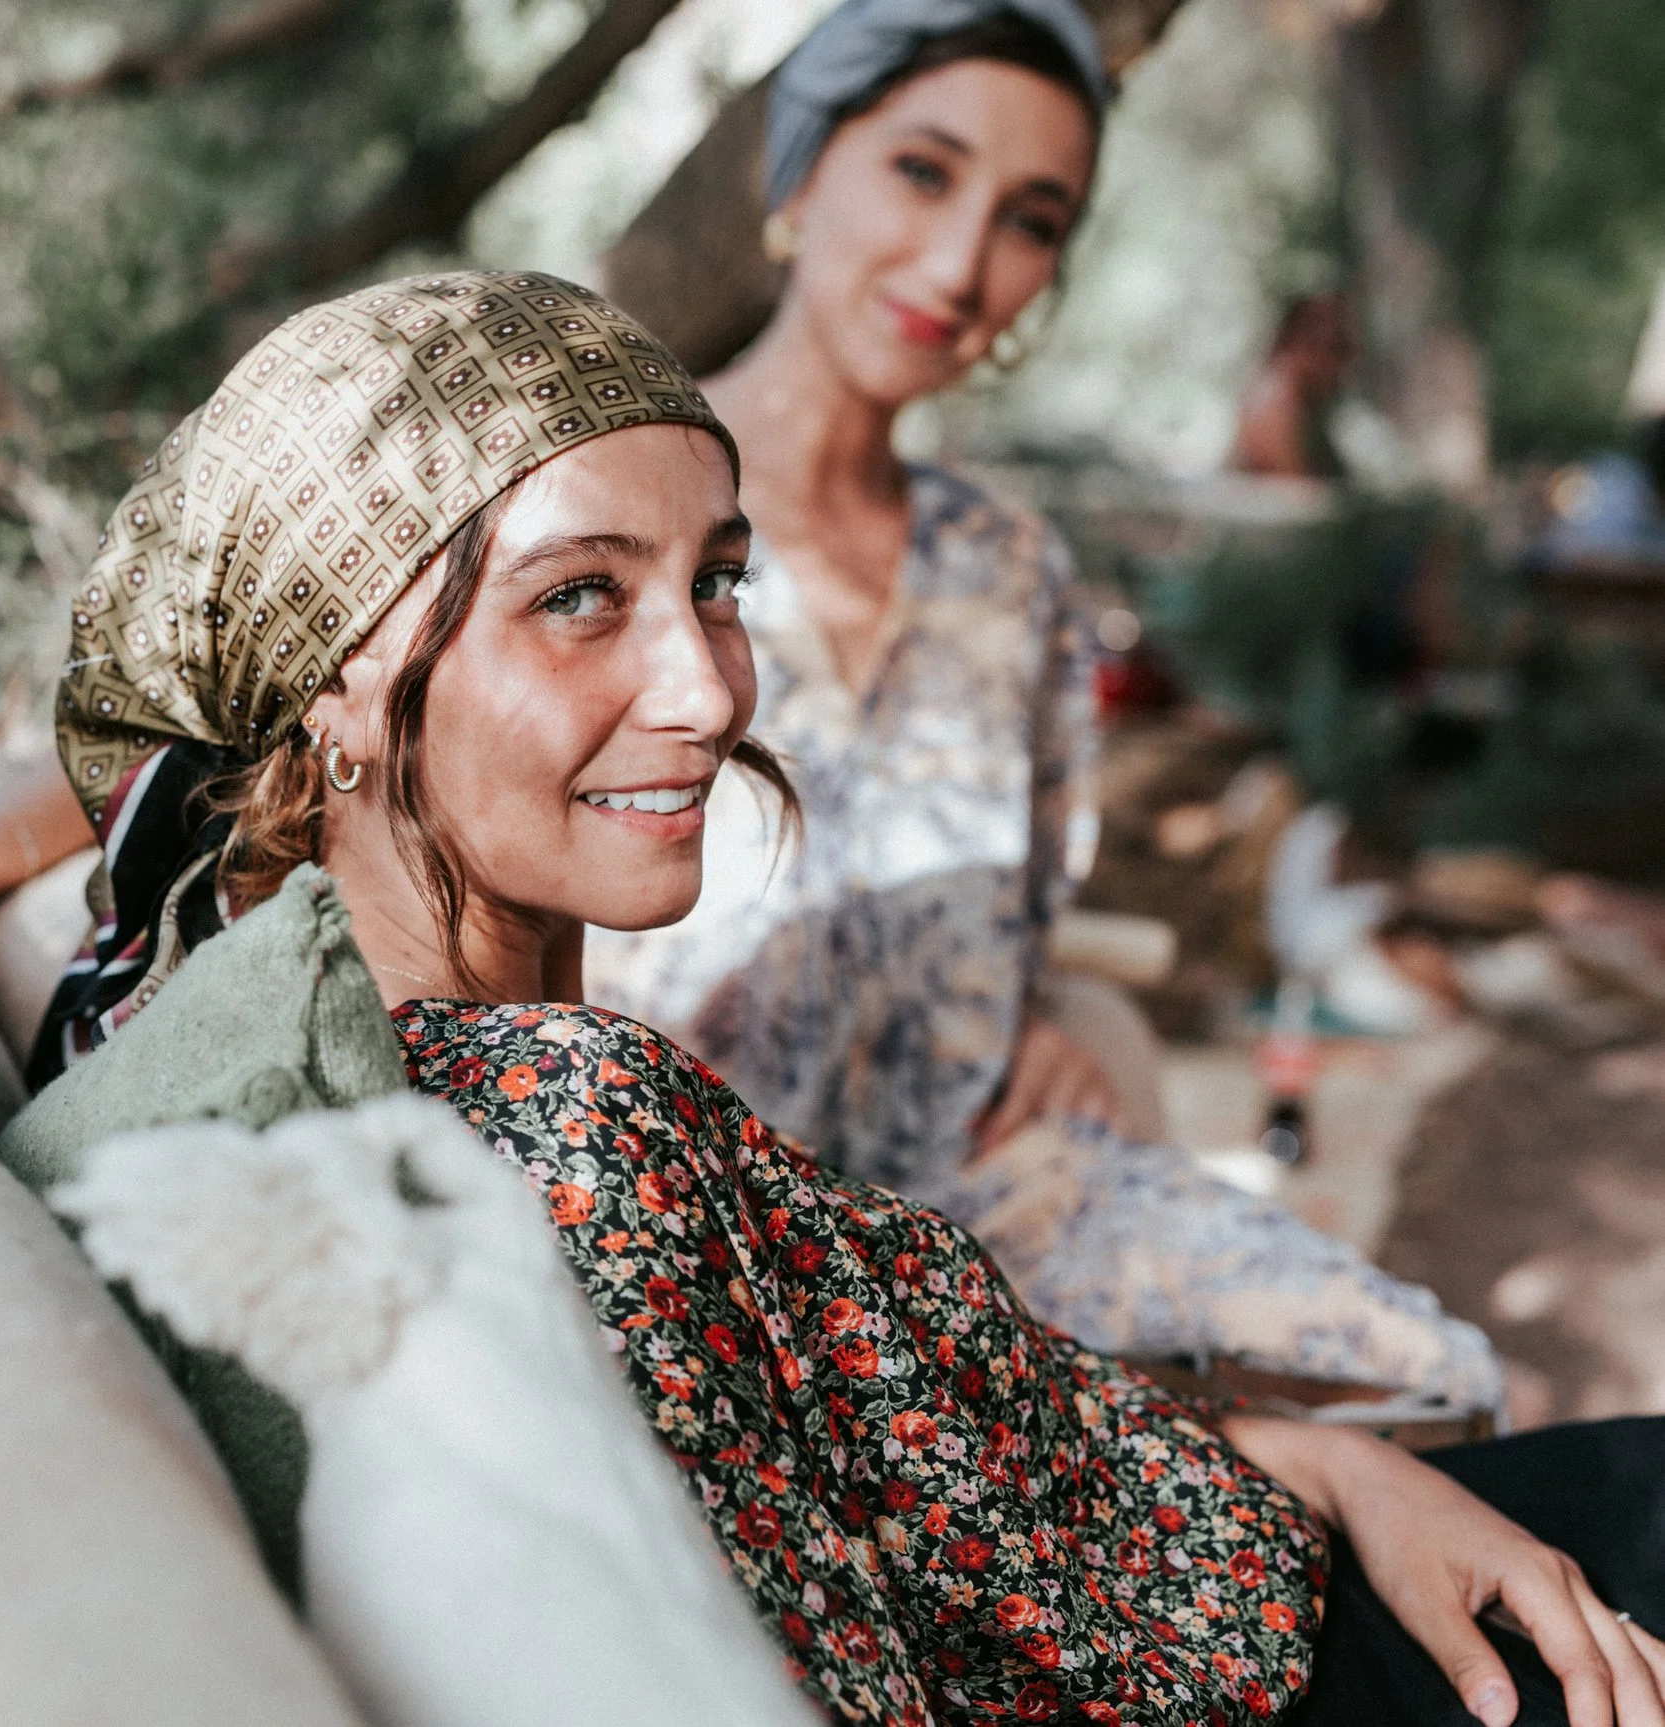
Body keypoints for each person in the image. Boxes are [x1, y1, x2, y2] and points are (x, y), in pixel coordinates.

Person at [0, 270, 1665, 1726]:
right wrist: (1328, 1482)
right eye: (578, 595)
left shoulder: (359, 1057)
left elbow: (961, 1460)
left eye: (714, 578)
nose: (710, 688)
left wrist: (1327, 1464)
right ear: (343, 687)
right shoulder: (552, 1133)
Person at [574, 0, 1496, 1405]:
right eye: (925, 170)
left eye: (1031, 218)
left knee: (1430, 1380)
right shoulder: (590, 507)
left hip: (986, 1207)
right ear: (804, 172)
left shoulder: (1013, 571)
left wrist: (1046, 1008)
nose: (960, 263)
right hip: (689, 1245)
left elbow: (1016, 916)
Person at [1230, 292, 1357, 480]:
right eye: (1337, 347)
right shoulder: (1273, 400)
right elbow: (1297, 489)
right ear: (1301, 344)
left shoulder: (1308, 403)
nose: (1347, 362)